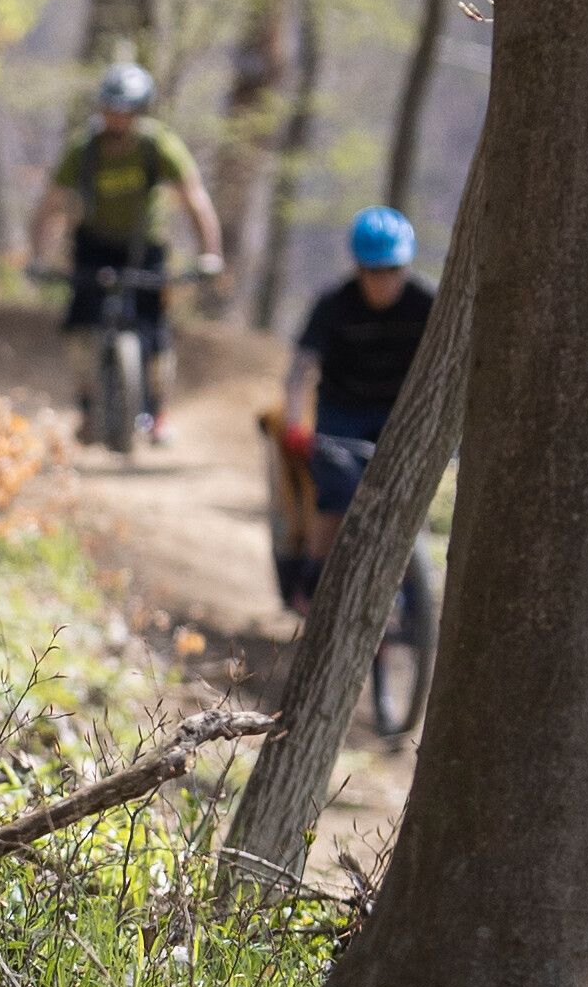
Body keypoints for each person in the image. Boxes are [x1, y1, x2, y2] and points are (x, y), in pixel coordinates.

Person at [26, 55, 222, 441]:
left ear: (140, 112)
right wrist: (37, 254)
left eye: (126, 111)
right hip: (93, 244)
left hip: (144, 247)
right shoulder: (84, 150)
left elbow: (194, 198)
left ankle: (159, 413)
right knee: (81, 325)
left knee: (155, 331)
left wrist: (210, 253)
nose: (118, 119)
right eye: (111, 110)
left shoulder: (158, 146)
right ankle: (86, 408)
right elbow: (50, 205)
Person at [267, 204, 435, 608]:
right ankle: (313, 579)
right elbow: (300, 370)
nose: (384, 282)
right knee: (337, 495)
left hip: (401, 416)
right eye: (374, 271)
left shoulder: (427, 303)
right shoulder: (333, 304)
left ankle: (418, 595)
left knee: (414, 493)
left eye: (393, 270)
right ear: (359, 269)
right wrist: (294, 424)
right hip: (342, 414)